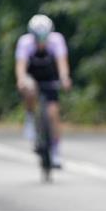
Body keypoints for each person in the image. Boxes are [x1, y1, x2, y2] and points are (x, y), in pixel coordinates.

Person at [15, 14, 72, 168]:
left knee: (53, 113)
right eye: (37, 38)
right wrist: (21, 80)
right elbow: (21, 66)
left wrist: (65, 78)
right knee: (29, 88)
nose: (41, 41)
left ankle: (55, 152)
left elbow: (62, 63)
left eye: (44, 37)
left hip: (50, 77)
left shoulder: (57, 40)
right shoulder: (25, 43)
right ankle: (30, 117)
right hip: (32, 77)